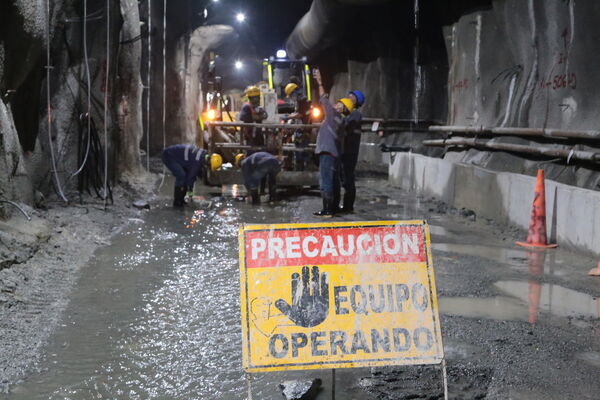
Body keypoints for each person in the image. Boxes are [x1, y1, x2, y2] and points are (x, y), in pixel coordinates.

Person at [312, 68, 354, 217]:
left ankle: (327, 209)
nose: (336, 105)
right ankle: (333, 207)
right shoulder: (342, 121)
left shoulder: (333, 115)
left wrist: (319, 82)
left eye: (339, 104)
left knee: (325, 181)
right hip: (334, 154)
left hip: (327, 153)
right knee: (333, 181)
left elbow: (323, 98)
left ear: (343, 108)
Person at [338, 90, 365, 213]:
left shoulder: (355, 114)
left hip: (350, 151)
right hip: (344, 150)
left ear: (356, 101)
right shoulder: (349, 114)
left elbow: (345, 125)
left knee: (348, 178)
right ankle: (345, 205)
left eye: (352, 96)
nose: (349, 96)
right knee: (343, 177)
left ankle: (348, 207)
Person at [284, 82, 311, 170]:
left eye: (291, 96)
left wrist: (288, 117)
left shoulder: (301, 100)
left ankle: (304, 173)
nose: (291, 98)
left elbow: (300, 114)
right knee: (300, 150)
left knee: (302, 151)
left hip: (303, 129)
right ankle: (301, 171)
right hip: (301, 128)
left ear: (293, 92)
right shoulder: (300, 99)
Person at [239, 86, 268, 152]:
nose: (258, 99)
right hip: (250, 137)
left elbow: (265, 116)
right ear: (250, 98)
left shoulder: (258, 108)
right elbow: (243, 117)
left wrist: (260, 113)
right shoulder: (246, 107)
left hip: (259, 136)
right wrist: (257, 116)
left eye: (258, 97)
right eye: (256, 98)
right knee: (252, 155)